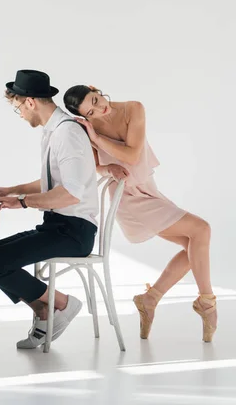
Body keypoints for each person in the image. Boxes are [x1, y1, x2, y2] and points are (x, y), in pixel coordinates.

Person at [63, 85, 217, 342]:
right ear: (85, 117)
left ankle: (150, 298)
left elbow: (134, 155)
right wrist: (108, 166)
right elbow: (95, 168)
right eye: (91, 112)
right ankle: (207, 302)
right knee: (201, 230)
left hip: (146, 187)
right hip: (126, 195)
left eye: (95, 100)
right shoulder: (89, 128)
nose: (99, 110)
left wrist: (98, 139)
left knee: (195, 246)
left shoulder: (133, 109)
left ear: (95, 89)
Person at [0, 70, 99, 349]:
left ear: (30, 102)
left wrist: (20, 202)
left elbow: (70, 194)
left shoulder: (67, 132)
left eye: (18, 107)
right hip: (58, 226)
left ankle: (61, 304)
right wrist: (12, 190)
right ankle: (45, 309)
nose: (20, 113)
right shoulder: (55, 130)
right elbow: (50, 181)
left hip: (74, 232)